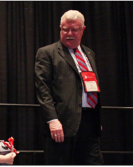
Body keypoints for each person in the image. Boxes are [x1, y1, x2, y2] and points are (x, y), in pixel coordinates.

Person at [35, 10, 104, 165]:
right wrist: (52, 120)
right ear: (60, 28)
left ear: (83, 29)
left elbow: (92, 86)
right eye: (65, 29)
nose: (69, 33)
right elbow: (42, 88)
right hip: (62, 123)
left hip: (89, 122)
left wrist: (95, 117)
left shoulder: (89, 54)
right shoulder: (48, 53)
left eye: (74, 29)